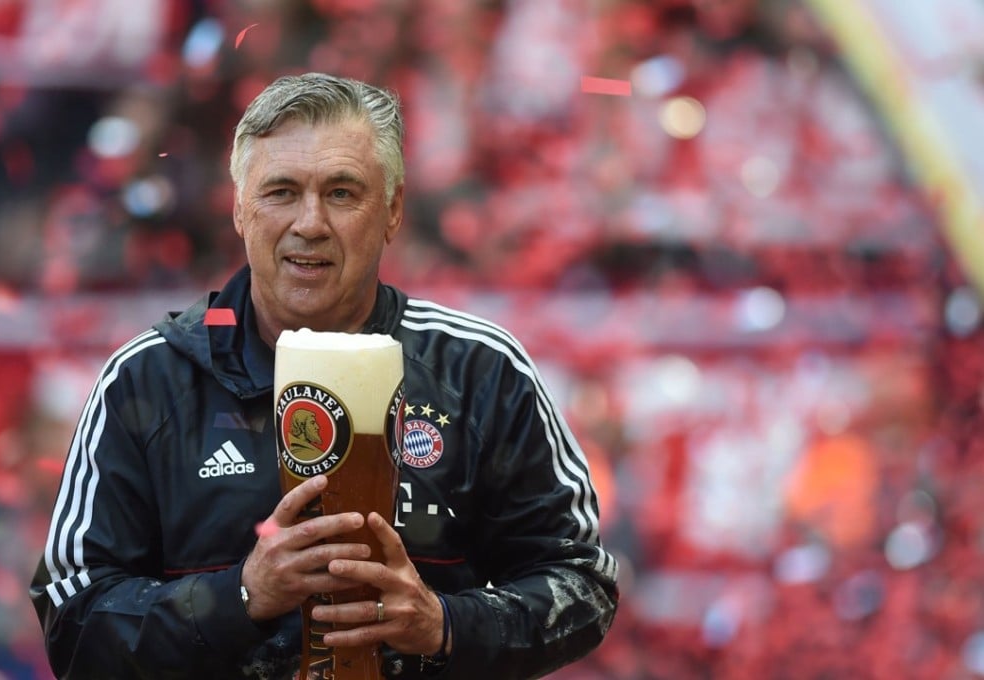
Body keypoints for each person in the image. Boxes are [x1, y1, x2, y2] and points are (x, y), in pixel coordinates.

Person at [30, 72, 619, 679]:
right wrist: (240, 597)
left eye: (341, 193)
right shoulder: (148, 379)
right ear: (238, 207)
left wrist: (442, 626)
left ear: (391, 211)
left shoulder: (479, 371)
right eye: (281, 191)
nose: (309, 222)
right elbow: (71, 623)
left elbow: (583, 584)